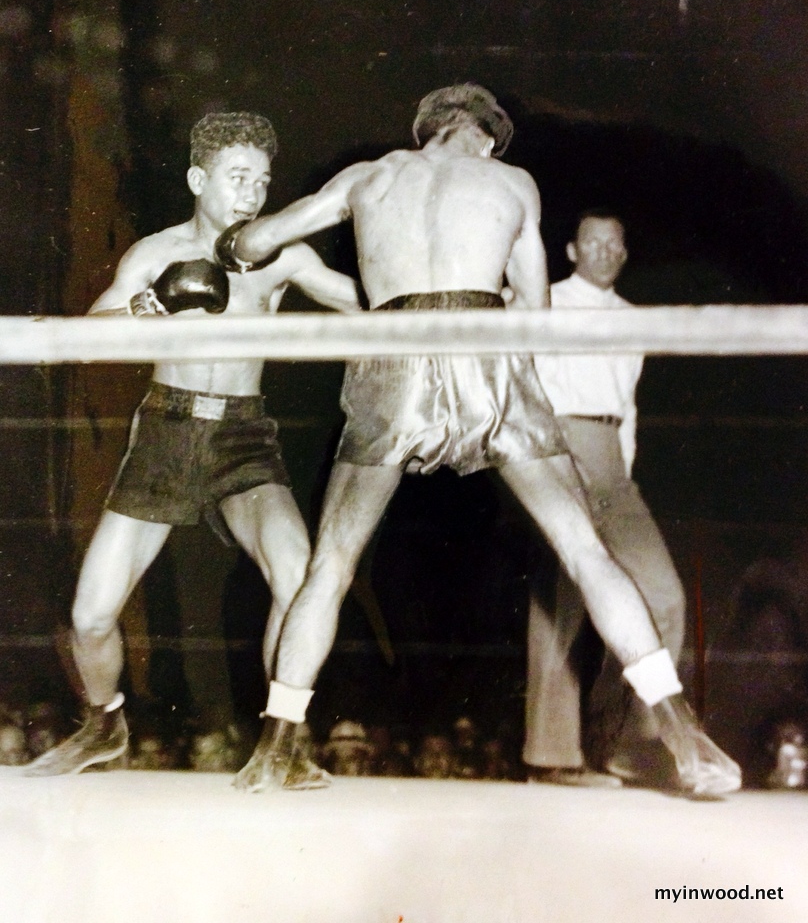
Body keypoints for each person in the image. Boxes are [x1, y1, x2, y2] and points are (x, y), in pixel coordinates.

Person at [214, 84, 740, 798]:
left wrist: (231, 243)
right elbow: (535, 309)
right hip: (487, 346)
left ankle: (277, 743)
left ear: (425, 131)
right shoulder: (509, 181)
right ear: (487, 139)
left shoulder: (370, 175)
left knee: (332, 562)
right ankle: (682, 732)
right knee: (585, 550)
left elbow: (255, 240)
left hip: (394, 354)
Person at [25, 111, 359, 776]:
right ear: (197, 179)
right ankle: (104, 726)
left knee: (298, 578)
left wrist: (435, 294)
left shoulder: (280, 256)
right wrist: (151, 307)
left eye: (262, 181)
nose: (252, 195)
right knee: (91, 617)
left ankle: (285, 741)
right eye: (237, 177)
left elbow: (361, 303)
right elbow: (86, 339)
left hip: (245, 435)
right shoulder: (153, 254)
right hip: (167, 431)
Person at [523, 210, 686, 788]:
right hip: (557, 448)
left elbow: (629, 407)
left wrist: (622, 470)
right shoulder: (544, 301)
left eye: (614, 243)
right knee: (564, 602)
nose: (604, 251)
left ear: (624, 252)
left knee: (663, 597)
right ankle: (552, 757)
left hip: (613, 464)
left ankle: (627, 744)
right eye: (592, 242)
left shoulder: (632, 320)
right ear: (571, 250)